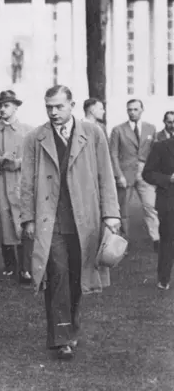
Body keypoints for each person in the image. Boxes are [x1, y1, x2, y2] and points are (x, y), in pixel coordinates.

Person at [20, 85, 120, 360]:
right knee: (57, 275)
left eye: (58, 106)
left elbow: (105, 175)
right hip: (50, 221)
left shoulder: (93, 133)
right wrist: (27, 217)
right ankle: (61, 338)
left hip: (84, 221)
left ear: (72, 105)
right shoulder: (35, 138)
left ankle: (70, 328)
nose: (53, 112)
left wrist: (111, 213)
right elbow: (26, 182)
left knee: (79, 277)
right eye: (48, 107)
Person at [0, 90, 33, 283]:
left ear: (15, 107)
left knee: (23, 223)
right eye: (1, 106)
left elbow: (33, 157)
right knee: (4, 222)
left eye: (6, 105)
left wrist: (19, 162)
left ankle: (25, 267)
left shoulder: (27, 130)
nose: (3, 109)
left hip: (20, 182)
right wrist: (1, 161)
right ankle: (10, 264)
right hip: (0, 182)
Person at [110, 99, 159, 251]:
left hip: (145, 174)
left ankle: (156, 239)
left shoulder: (150, 128)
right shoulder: (118, 130)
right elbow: (113, 154)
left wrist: (154, 173)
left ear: (142, 110)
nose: (132, 112)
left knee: (150, 206)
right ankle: (122, 241)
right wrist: (119, 175)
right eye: (130, 109)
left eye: (135, 109)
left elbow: (155, 152)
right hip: (125, 174)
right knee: (123, 209)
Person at [143, 134, 174, 290]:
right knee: (168, 241)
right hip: (169, 202)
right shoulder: (161, 146)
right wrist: (169, 179)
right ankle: (164, 279)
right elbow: (147, 173)